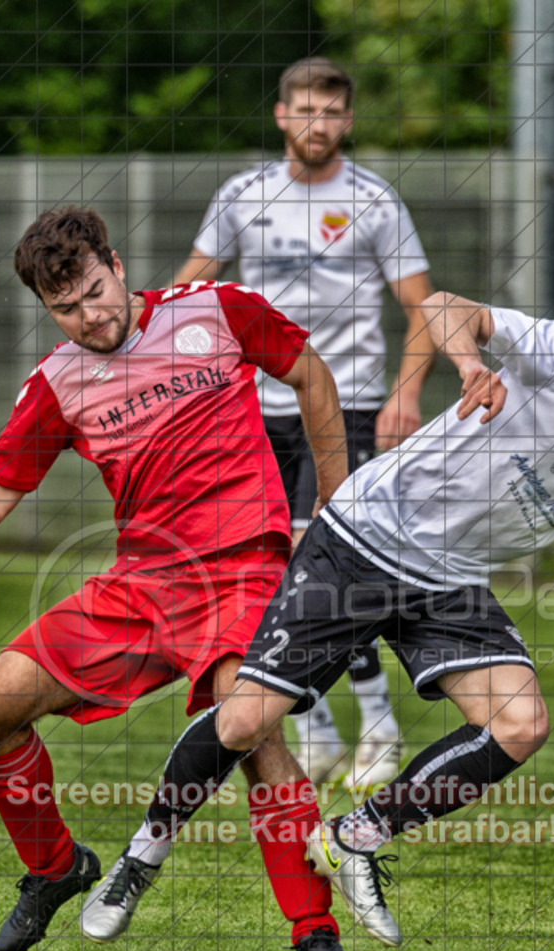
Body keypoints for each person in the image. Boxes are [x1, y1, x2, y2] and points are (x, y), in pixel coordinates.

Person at [84, 291, 554, 949]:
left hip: (447, 581)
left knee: (521, 723)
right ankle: (140, 859)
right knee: (245, 721)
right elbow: (442, 304)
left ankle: (353, 838)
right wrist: (466, 363)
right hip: (363, 537)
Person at [0, 206, 353, 951]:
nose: (89, 316)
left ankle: (313, 930)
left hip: (245, 569)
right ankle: (55, 868)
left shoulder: (217, 310)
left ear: (119, 266)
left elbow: (310, 372)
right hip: (142, 584)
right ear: (45, 308)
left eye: (96, 291)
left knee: (248, 722)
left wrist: (329, 515)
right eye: (65, 308)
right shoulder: (57, 383)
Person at [173, 56, 435, 791]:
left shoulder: (373, 200)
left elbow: (421, 307)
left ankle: (378, 727)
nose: (317, 123)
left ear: (347, 120)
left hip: (345, 402)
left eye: (331, 111)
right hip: (256, 408)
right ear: (282, 115)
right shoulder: (243, 194)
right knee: (271, 569)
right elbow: (191, 285)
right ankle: (317, 734)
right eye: (304, 110)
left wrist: (404, 394)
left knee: (331, 559)